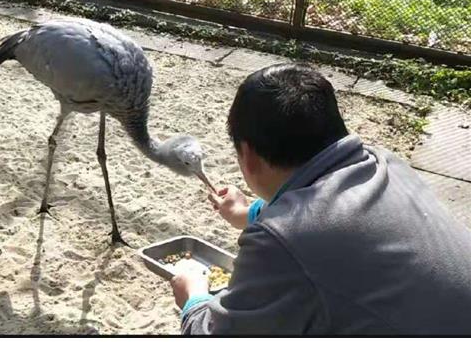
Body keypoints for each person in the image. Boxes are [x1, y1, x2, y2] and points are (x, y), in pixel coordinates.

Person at [170, 63, 471, 335]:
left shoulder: (279, 240)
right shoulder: (386, 163)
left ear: (247, 155)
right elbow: (328, 210)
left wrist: (193, 296)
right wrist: (249, 212)